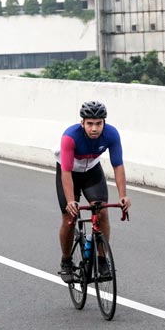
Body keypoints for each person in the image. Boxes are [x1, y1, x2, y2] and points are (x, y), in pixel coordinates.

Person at [55, 100, 131, 282]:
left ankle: (102, 259)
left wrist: (123, 196)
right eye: (90, 124)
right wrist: (71, 201)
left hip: (92, 171)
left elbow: (118, 166)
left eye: (98, 124)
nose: (94, 128)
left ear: (104, 123)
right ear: (82, 123)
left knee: (102, 212)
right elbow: (66, 172)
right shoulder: (70, 137)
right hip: (69, 172)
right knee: (69, 217)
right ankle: (66, 261)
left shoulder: (111, 134)